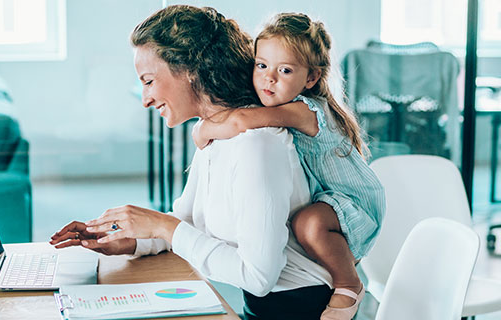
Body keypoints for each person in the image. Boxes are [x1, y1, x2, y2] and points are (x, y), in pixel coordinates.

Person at [49, 5, 334, 319]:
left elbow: (258, 278)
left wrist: (162, 226)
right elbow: (186, 222)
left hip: (301, 311)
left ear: (189, 71)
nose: (144, 99)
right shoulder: (214, 135)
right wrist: (127, 240)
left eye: (148, 81)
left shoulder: (258, 146)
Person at [192, 12, 385, 320]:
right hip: (329, 196)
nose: (269, 77)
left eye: (284, 70)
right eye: (261, 65)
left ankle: (349, 284)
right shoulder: (286, 104)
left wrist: (201, 129)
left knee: (307, 224)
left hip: (355, 200)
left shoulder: (305, 111)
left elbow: (242, 121)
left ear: (311, 78)